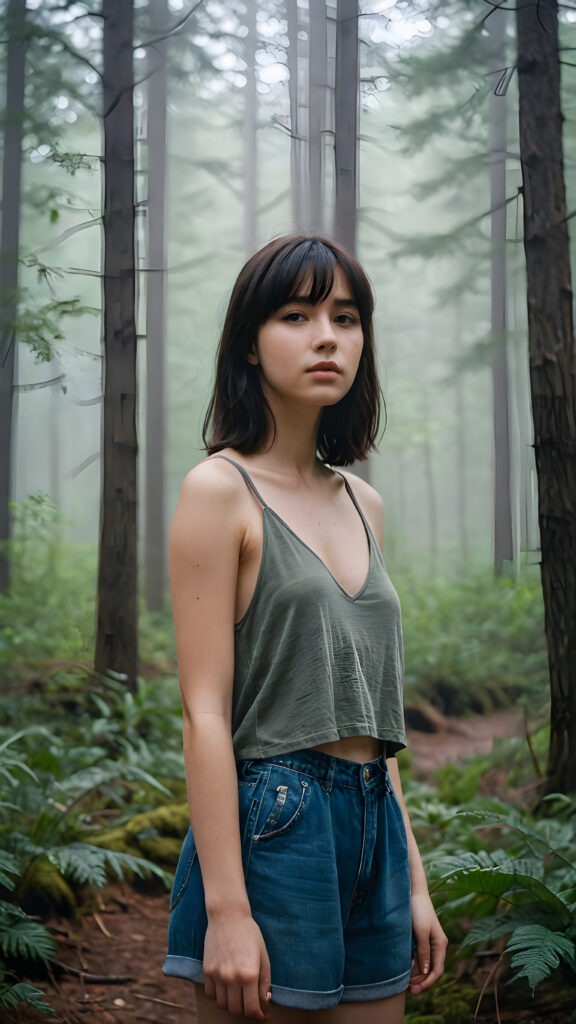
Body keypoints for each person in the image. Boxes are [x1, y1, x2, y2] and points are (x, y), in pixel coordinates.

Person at [163, 235, 447, 1023]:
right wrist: (227, 909)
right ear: (250, 344)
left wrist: (415, 881)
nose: (327, 336)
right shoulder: (218, 492)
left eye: (346, 317)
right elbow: (204, 711)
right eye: (297, 314)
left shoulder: (365, 503)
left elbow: (371, 716)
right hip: (274, 825)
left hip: (374, 827)